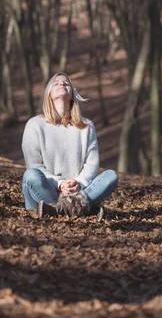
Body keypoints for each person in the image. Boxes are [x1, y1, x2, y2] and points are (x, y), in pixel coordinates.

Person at [21, 72, 118, 220]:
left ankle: (57, 210)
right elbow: (34, 165)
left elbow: (91, 164)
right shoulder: (34, 124)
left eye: (66, 83)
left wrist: (78, 183)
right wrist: (60, 184)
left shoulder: (86, 126)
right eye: (56, 83)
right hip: (46, 191)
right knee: (31, 175)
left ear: (72, 94)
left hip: (76, 191)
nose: (62, 84)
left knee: (111, 176)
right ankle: (81, 209)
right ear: (49, 94)